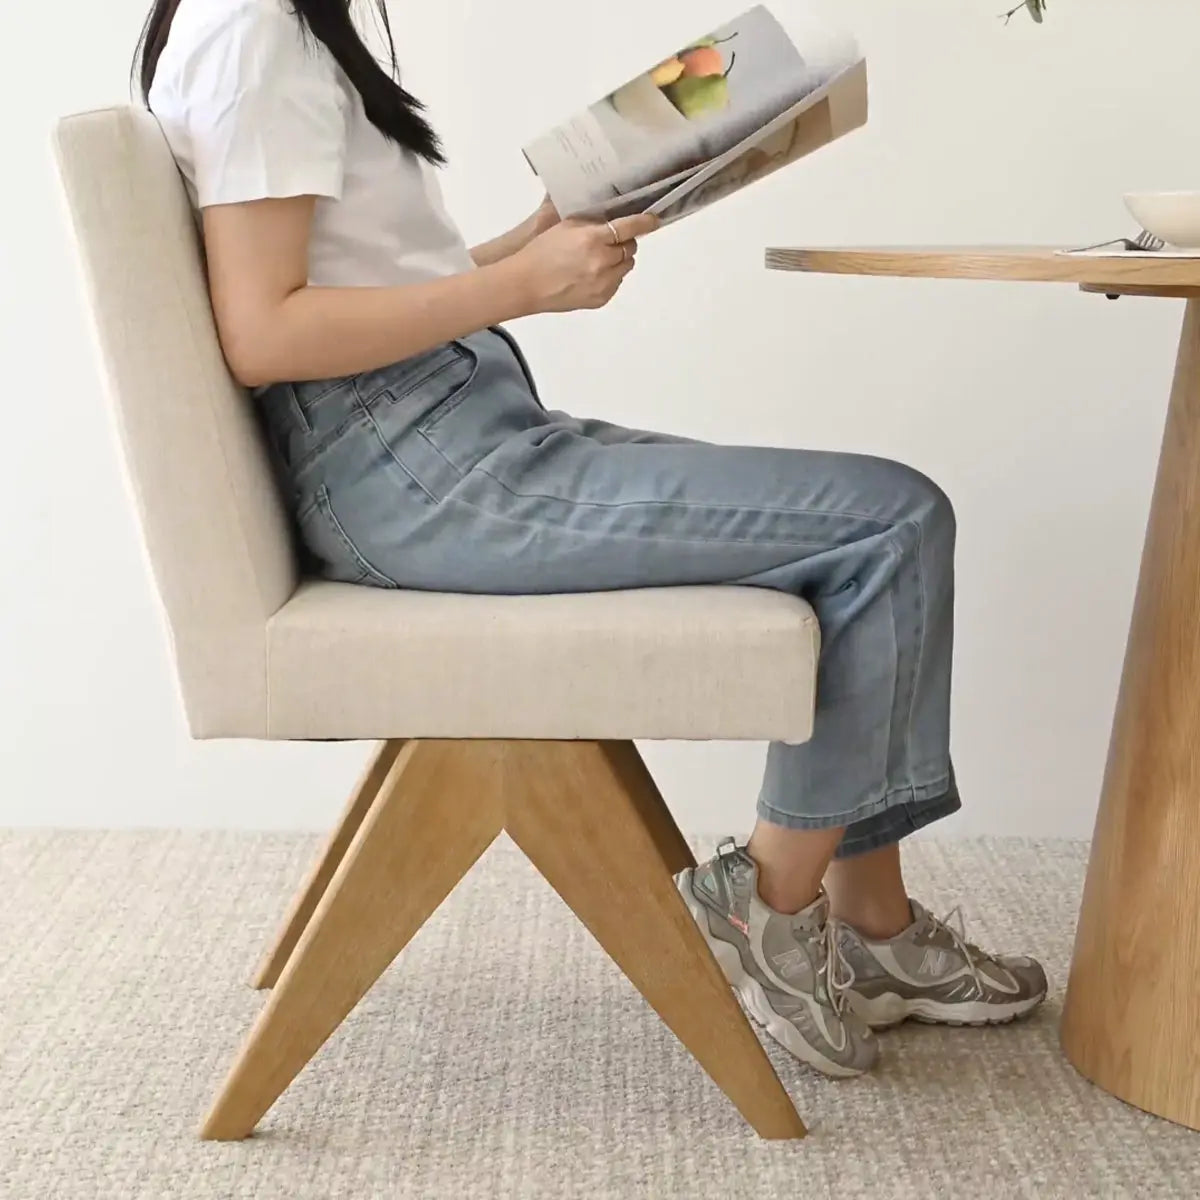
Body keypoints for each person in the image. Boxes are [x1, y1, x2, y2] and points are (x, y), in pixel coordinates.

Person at [139, 0, 1047, 1079]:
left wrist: (518, 251)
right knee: (890, 520)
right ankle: (771, 904)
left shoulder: (272, 24)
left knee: (866, 521)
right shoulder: (257, 31)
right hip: (430, 478)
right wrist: (515, 288)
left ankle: (876, 927)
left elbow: (345, 280)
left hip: (444, 445)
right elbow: (262, 331)